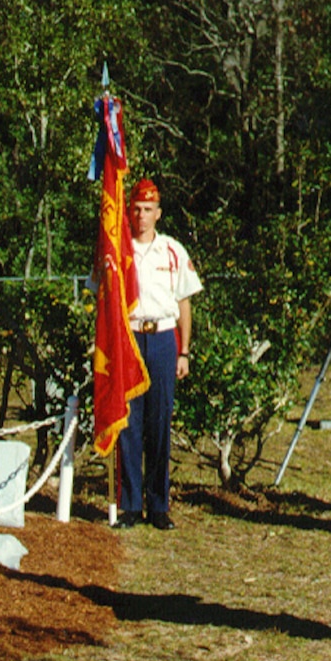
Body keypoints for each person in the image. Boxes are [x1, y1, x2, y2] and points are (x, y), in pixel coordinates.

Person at [113, 178, 203, 531]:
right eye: (136, 209)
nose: (141, 216)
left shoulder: (172, 250)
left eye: (148, 210)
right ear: (129, 211)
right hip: (130, 338)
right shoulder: (119, 248)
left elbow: (184, 303)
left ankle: (160, 505)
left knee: (159, 423)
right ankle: (131, 505)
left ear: (158, 213)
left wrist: (185, 352)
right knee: (130, 424)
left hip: (164, 338)